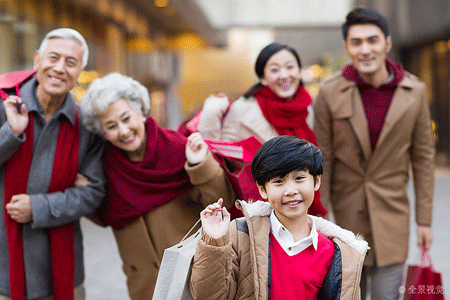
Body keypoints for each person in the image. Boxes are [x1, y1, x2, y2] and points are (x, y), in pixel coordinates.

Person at [79, 72, 237, 300]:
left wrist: (200, 163)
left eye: (126, 118)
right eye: (111, 126)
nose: (123, 131)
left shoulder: (176, 148)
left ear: (141, 111)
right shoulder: (105, 165)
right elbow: (106, 215)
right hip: (144, 286)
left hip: (193, 278)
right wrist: (86, 193)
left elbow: (222, 200)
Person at [313, 7, 435, 300]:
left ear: (387, 44)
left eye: (372, 40)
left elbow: (423, 159)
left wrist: (424, 220)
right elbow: (321, 159)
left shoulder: (414, 92)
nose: (365, 49)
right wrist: (321, 217)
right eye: (356, 42)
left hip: (391, 218)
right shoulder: (330, 92)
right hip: (342, 220)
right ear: (346, 47)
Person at [189, 136, 370, 300]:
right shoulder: (240, 235)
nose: (290, 191)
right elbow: (206, 296)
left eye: (299, 178)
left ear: (316, 182)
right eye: (278, 181)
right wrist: (214, 241)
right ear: (262, 189)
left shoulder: (335, 253)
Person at [0, 28, 105, 300]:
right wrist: (11, 134)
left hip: (61, 271)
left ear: (80, 70)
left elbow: (94, 192)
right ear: (37, 60)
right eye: (53, 57)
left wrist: (39, 207)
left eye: (70, 62)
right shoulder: (4, 106)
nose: (60, 68)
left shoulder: (87, 124)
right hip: (3, 268)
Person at [197, 42, 327, 216]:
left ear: (298, 71)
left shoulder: (306, 108)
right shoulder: (242, 110)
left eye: (290, 67)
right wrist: (211, 112)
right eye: (274, 70)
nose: (284, 75)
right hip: (260, 211)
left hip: (303, 207)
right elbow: (218, 156)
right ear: (263, 77)